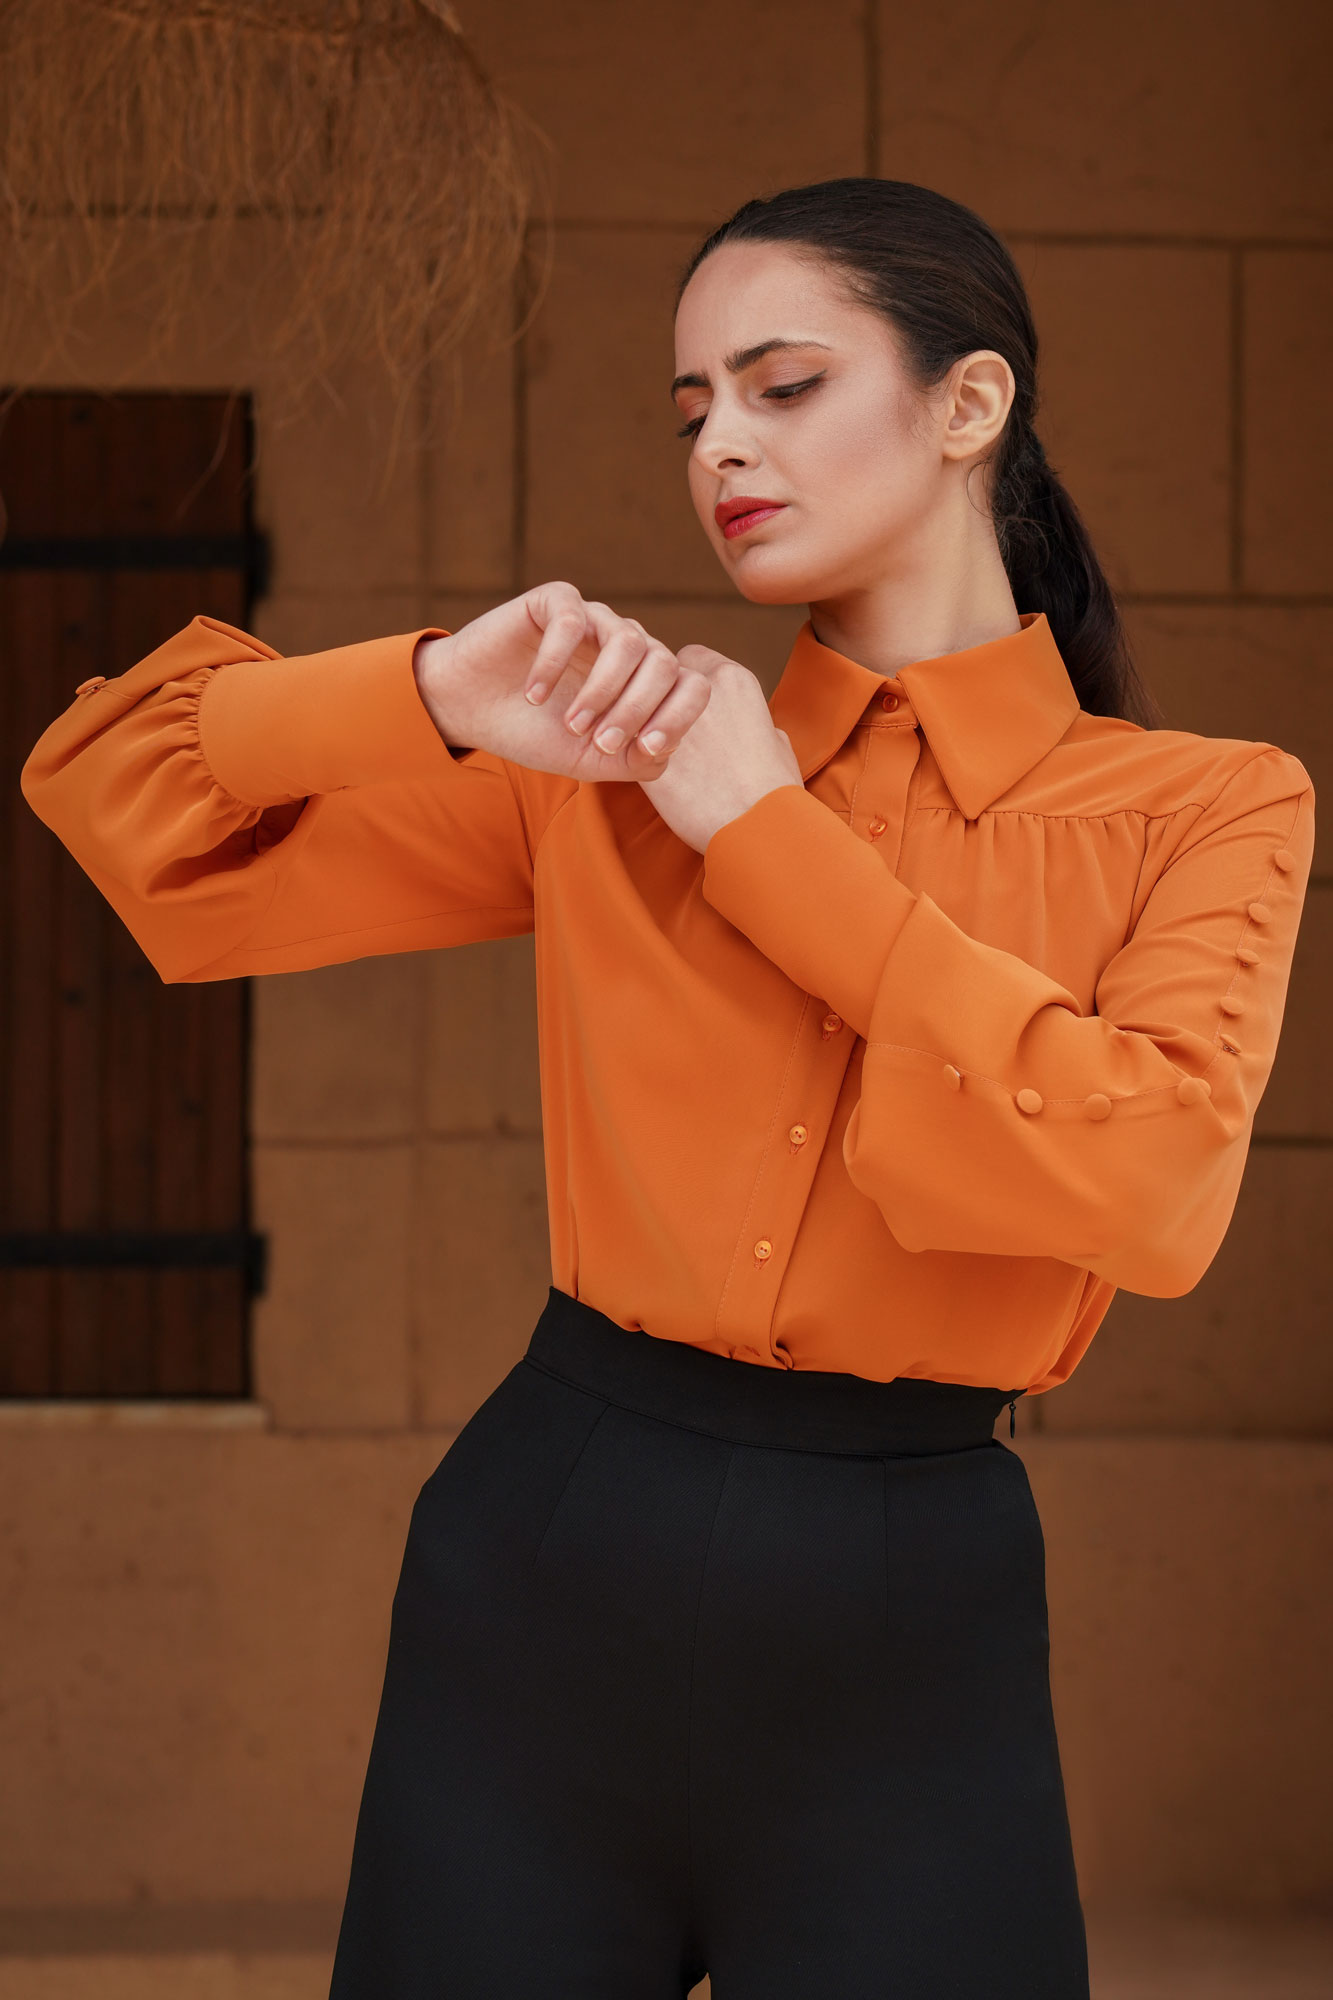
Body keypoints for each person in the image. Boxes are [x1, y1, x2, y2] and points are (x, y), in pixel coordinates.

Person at [20, 178, 1315, 1998]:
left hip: (910, 1618)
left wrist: (767, 838)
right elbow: (121, 804)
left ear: (969, 405)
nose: (722, 445)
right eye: (693, 405)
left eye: (781, 385)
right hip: (548, 1559)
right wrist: (433, 692)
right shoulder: (603, 761)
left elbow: (1148, 1189)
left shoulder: (1204, 804)